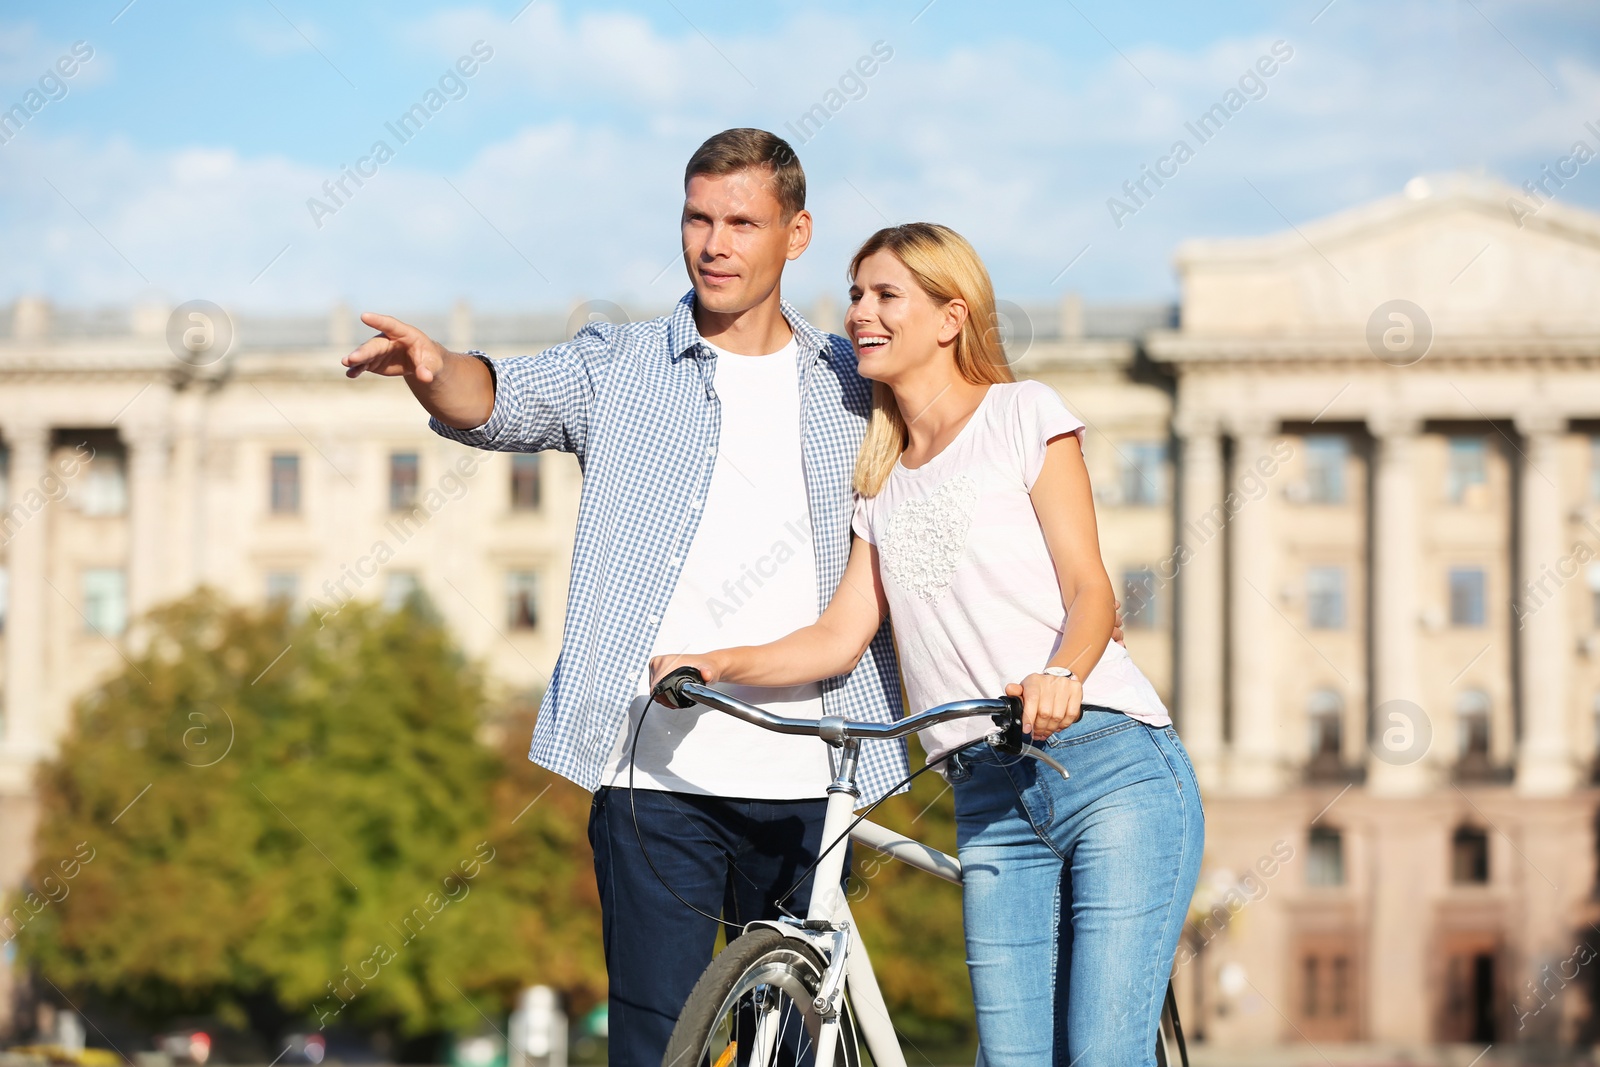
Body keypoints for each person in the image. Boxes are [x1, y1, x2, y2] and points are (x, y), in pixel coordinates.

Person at [652, 222, 1203, 1065]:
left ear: (951, 317)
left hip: (1108, 763)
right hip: (987, 796)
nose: (860, 313)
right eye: (856, 293)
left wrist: (1061, 672)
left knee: (1099, 1054)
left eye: (885, 295)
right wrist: (717, 664)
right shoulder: (882, 480)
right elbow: (840, 636)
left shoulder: (1024, 415)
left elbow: (1093, 591)